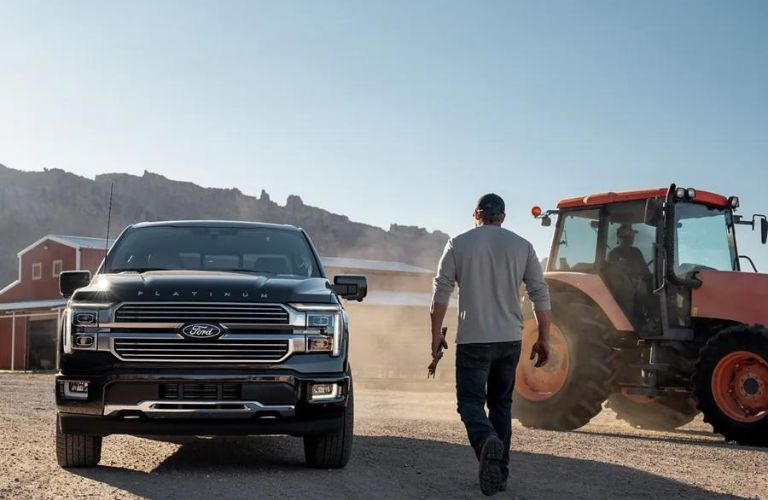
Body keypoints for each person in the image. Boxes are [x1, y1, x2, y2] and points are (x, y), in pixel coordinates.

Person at [430, 193, 552, 496]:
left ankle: (486, 441)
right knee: (501, 404)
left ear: (476, 214)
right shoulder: (522, 246)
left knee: (470, 403)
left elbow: (441, 292)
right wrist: (545, 337)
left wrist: (435, 335)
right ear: (503, 217)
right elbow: (539, 292)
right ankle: (501, 473)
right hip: (509, 339)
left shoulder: (458, 244)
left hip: (473, 339)